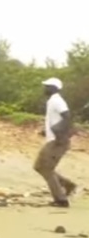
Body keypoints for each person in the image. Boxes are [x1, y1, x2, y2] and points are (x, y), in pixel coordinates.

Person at [34, 77, 76, 207]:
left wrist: (59, 133)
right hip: (54, 139)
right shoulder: (52, 100)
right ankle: (68, 185)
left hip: (57, 141)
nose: (45, 88)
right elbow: (60, 119)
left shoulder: (57, 100)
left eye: (48, 86)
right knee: (40, 166)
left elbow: (67, 117)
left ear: (55, 88)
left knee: (46, 168)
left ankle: (61, 200)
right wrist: (47, 131)